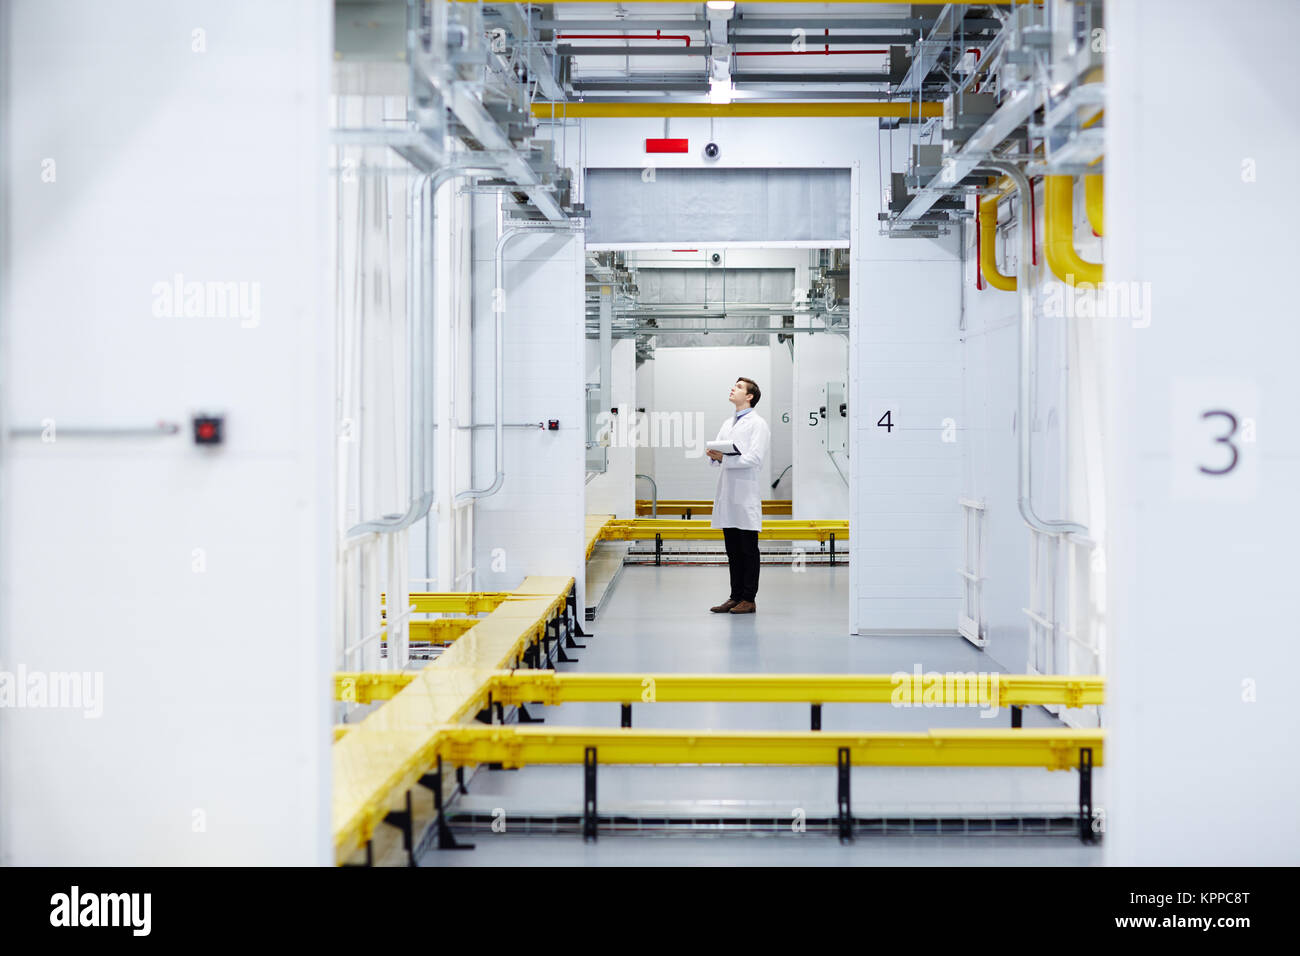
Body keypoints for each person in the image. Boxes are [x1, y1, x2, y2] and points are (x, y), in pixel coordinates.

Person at [705, 377, 770, 614]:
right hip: (727, 492)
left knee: (748, 549)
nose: (733, 388)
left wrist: (725, 458)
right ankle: (735, 596)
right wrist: (713, 455)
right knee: (732, 548)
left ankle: (749, 598)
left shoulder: (758, 424)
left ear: (750, 396)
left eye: (739, 387)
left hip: (745, 494)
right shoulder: (727, 423)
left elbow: (755, 458)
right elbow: (721, 453)